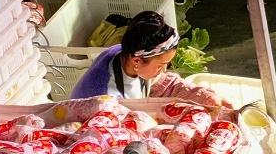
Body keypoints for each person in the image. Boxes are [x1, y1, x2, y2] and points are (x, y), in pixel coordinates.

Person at [69, 11, 219, 105]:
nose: (164, 70)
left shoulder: (125, 52)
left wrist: (205, 97)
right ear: (137, 61)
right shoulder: (105, 97)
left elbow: (164, 83)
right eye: (161, 65)